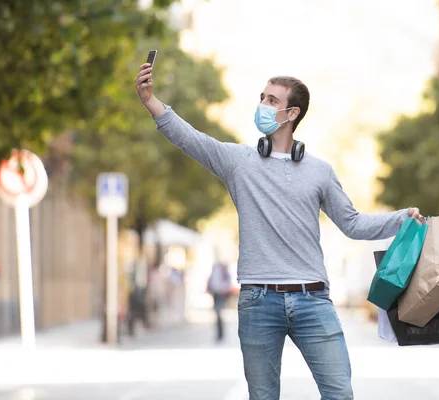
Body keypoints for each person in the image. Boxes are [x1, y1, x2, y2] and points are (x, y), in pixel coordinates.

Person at [135, 63, 423, 400]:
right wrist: (150, 101)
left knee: (340, 393)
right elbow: (190, 139)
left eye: (272, 100)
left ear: (291, 113)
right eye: (262, 97)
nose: (263, 105)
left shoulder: (320, 171)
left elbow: (353, 223)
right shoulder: (238, 162)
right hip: (258, 302)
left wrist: (402, 218)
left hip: (313, 299)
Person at [207, 261, 233, 342]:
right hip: (216, 293)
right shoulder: (216, 270)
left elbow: (227, 283)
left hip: (221, 293)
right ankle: (219, 334)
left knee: (219, 313)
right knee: (217, 314)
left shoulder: (224, 272)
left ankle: (220, 334)